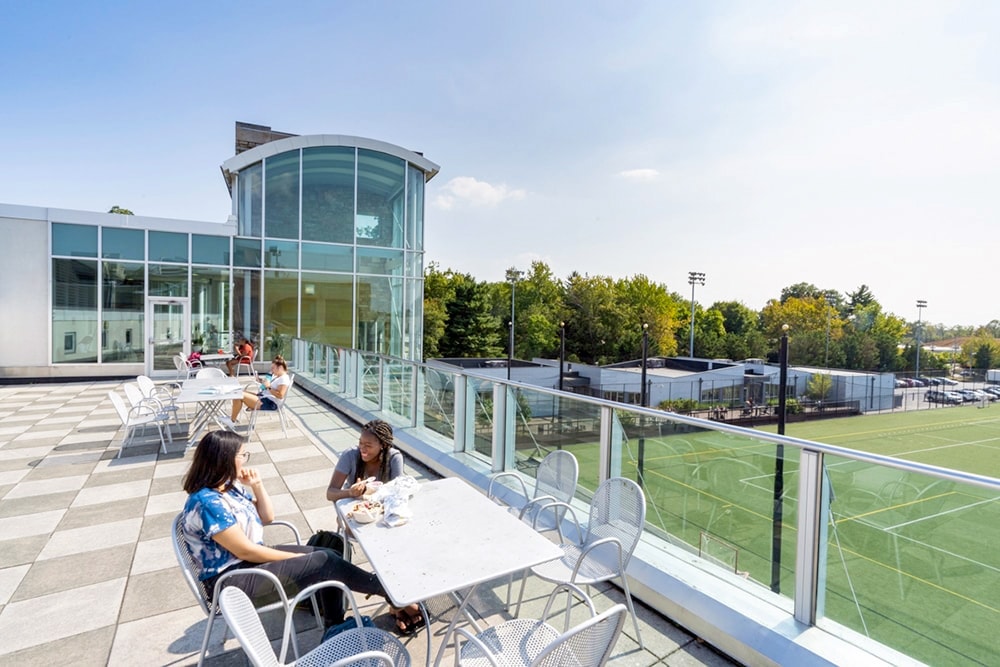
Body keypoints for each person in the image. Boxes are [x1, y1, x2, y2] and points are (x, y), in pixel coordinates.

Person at [180, 430, 391, 628]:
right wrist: (293, 559)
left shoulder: (228, 488)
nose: (245, 460)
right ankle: (387, 589)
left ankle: (335, 624)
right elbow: (245, 551)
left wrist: (257, 485)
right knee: (325, 562)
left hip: (249, 565)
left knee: (330, 555)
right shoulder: (207, 502)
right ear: (224, 458)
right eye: (242, 455)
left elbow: (266, 516)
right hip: (233, 582)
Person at [326, 420, 404, 502]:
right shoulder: (350, 455)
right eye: (360, 443)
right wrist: (350, 492)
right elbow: (330, 493)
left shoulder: (394, 458)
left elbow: (399, 492)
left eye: (368, 445)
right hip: (352, 508)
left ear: (383, 445)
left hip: (383, 506)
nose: (362, 449)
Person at [223, 355, 291, 428]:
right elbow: (270, 386)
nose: (272, 370)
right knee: (238, 392)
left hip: (269, 403)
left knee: (240, 395)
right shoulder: (278, 376)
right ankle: (232, 419)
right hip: (264, 398)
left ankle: (232, 420)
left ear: (280, 368)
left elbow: (280, 395)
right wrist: (261, 381)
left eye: (273, 368)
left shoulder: (284, 379)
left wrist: (269, 387)